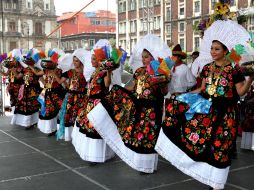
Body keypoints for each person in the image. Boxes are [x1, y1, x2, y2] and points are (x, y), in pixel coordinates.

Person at [155, 29, 254, 190]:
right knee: (204, 143)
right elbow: (201, 88)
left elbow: (240, 92)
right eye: (212, 48)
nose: (213, 52)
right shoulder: (207, 68)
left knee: (221, 146)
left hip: (226, 113)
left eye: (217, 49)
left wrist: (251, 79)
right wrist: (183, 95)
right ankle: (211, 179)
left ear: (225, 51)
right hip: (208, 110)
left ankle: (217, 185)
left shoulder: (235, 69)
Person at [87, 34, 171, 173]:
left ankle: (149, 166)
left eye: (147, 56)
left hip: (152, 108)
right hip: (139, 106)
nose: (144, 59)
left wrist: (163, 82)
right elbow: (133, 87)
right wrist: (118, 90)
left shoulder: (160, 73)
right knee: (138, 135)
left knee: (149, 135)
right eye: (143, 56)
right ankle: (141, 164)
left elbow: (164, 92)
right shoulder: (139, 71)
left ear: (154, 57)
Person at [72, 43, 116, 164]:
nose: (92, 61)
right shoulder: (94, 72)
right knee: (87, 126)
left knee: (95, 128)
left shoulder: (103, 72)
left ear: (100, 60)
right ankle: (92, 155)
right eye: (91, 58)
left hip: (98, 103)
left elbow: (107, 85)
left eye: (94, 58)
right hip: (90, 102)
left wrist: (108, 71)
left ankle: (98, 156)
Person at [55, 49, 88, 141]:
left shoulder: (86, 72)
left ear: (81, 61)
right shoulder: (70, 72)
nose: (75, 62)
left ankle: (78, 137)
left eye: (76, 61)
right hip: (70, 96)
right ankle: (69, 135)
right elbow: (60, 81)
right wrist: (54, 74)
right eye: (74, 60)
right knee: (68, 115)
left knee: (79, 115)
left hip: (81, 97)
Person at [33, 51, 66, 136]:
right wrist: (30, 66)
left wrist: (54, 74)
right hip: (47, 92)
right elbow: (37, 73)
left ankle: (59, 128)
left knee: (57, 110)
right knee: (48, 111)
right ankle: (51, 129)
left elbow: (59, 82)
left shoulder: (59, 71)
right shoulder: (46, 70)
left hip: (56, 93)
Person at [12, 50, 42, 129]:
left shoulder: (37, 69)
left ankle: (33, 122)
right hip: (25, 90)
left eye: (30, 59)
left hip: (33, 90)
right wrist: (13, 71)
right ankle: (27, 122)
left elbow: (41, 79)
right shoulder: (24, 69)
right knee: (25, 106)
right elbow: (18, 77)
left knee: (33, 106)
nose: (28, 61)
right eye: (28, 59)